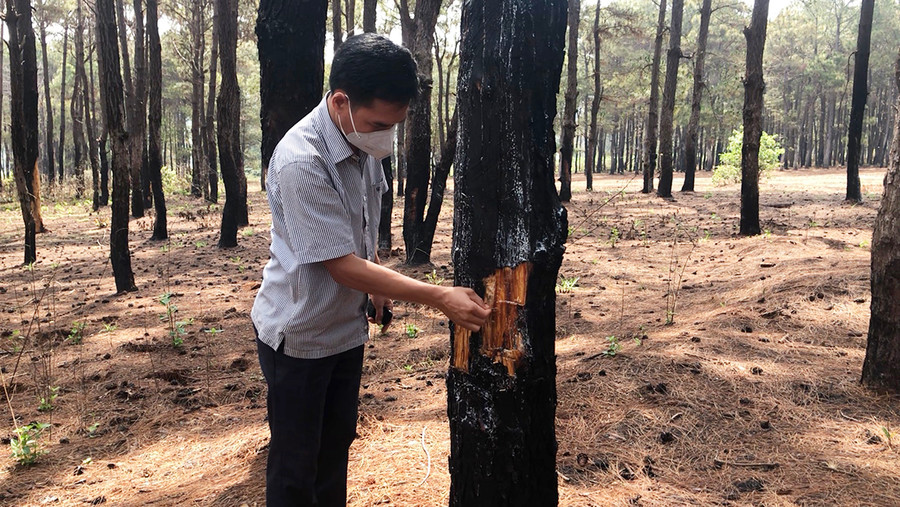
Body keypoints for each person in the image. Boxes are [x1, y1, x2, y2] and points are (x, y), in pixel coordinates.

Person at [250, 33, 492, 507]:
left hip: (344, 331)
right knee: (296, 467)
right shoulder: (303, 161)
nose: (387, 135)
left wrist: (379, 286)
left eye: (394, 125)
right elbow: (338, 264)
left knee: (334, 452)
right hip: (299, 336)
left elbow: (359, 231)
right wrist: (439, 296)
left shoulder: (363, 145)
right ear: (340, 102)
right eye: (378, 123)